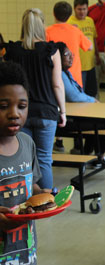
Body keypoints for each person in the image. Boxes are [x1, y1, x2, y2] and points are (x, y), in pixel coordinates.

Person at [4, 8, 66, 190]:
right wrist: (62, 111)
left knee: (24, 160)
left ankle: (25, 199)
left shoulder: (12, 51)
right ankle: (45, 201)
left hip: (20, 113)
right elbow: (57, 84)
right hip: (46, 112)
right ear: (42, 26)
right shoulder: (50, 51)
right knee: (44, 158)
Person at [0, 61, 50, 265]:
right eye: (3, 106)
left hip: (25, 252)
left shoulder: (27, 143)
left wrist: (44, 196)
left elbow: (31, 186)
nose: (14, 114)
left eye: (22, 106)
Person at [55, 42, 105, 163]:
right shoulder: (59, 73)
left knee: (102, 122)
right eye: (66, 55)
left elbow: (79, 93)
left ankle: (90, 154)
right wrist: (92, 100)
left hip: (74, 116)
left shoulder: (66, 72)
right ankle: (95, 156)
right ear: (57, 57)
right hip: (66, 121)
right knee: (104, 124)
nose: (71, 57)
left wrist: (92, 100)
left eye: (72, 54)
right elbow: (73, 96)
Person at [46, 1, 93, 88]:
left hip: (54, 77)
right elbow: (90, 47)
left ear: (53, 13)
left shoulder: (47, 32)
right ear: (69, 15)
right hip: (74, 78)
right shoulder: (75, 31)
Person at [68, 0, 100, 98]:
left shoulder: (90, 20)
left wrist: (97, 55)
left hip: (90, 63)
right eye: (79, 9)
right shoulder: (70, 22)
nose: (82, 12)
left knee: (92, 92)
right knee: (80, 93)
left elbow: (94, 38)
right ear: (74, 9)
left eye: (84, 9)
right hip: (78, 65)